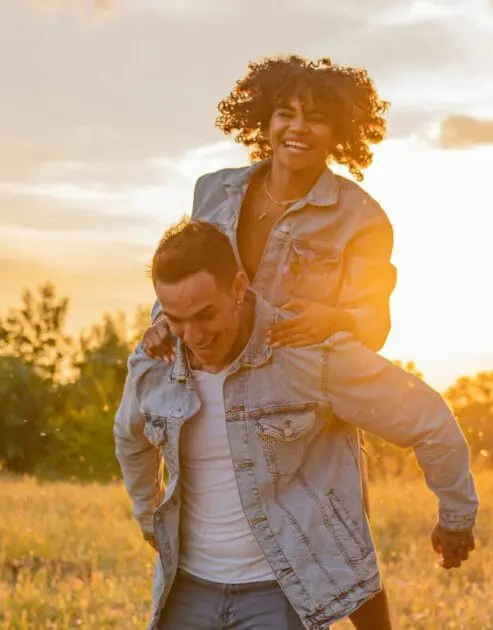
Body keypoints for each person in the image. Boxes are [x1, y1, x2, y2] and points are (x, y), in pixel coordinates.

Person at [115, 219, 479, 630]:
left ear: (238, 288)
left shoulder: (308, 355)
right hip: (186, 593)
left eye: (205, 315)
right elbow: (130, 438)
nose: (193, 335)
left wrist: (456, 517)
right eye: (177, 318)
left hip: (277, 596)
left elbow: (429, 420)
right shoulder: (155, 361)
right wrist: (148, 514)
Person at [139, 54, 398, 627]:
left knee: (331, 534)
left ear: (341, 133)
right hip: (217, 383)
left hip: (300, 394)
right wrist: (162, 319)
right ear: (263, 119)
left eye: (317, 118)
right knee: (215, 523)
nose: (297, 128)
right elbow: (184, 269)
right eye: (286, 113)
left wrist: (333, 315)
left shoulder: (360, 217)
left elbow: (373, 323)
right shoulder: (215, 191)